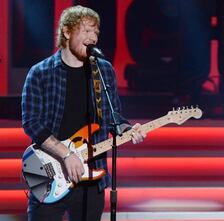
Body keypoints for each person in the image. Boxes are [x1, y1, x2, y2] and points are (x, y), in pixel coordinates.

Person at [21, 5, 145, 221]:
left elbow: (113, 116)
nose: (93, 37)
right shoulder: (40, 72)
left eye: (96, 32)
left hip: (91, 180)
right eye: (86, 30)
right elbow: (31, 122)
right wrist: (66, 154)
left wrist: (127, 129)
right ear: (67, 32)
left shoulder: (104, 71)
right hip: (50, 174)